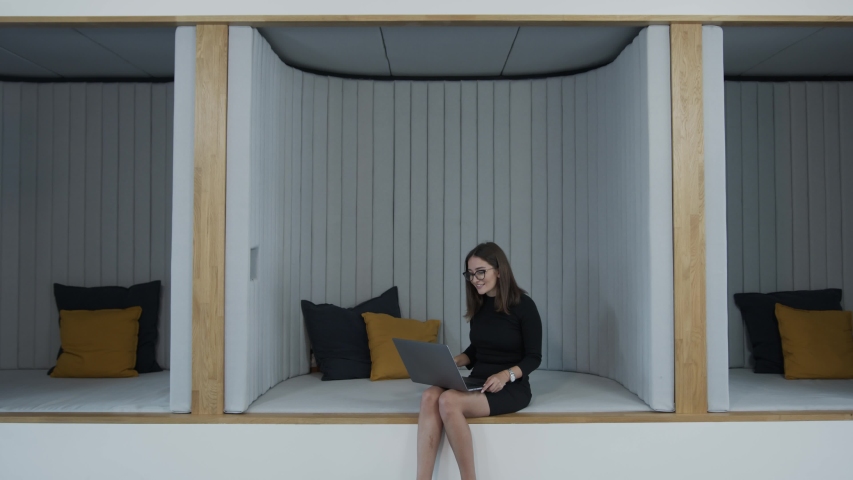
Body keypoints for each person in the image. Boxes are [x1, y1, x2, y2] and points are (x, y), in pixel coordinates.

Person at [416, 242, 543, 480]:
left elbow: (534, 357)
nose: (475, 279)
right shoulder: (480, 304)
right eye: (470, 274)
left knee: (448, 402)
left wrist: (506, 375)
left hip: (511, 387)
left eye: (480, 272)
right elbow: (477, 350)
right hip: (479, 380)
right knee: (429, 396)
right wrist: (455, 360)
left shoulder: (524, 306)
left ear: (499, 270)